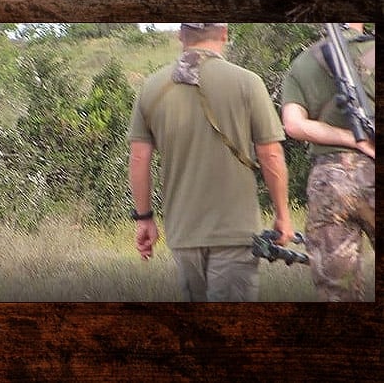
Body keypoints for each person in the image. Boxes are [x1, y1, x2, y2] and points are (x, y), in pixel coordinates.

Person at [128, 23, 294, 302]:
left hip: (183, 233)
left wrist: (144, 218)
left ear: (181, 35)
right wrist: (283, 215)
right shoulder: (247, 82)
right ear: (225, 33)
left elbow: (138, 158)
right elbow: (271, 155)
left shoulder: (151, 87)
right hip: (235, 231)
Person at [282, 23, 375, 302]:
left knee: (337, 293)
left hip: (328, 183)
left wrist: (349, 139)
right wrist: (360, 140)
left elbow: (294, 125)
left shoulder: (302, 63)